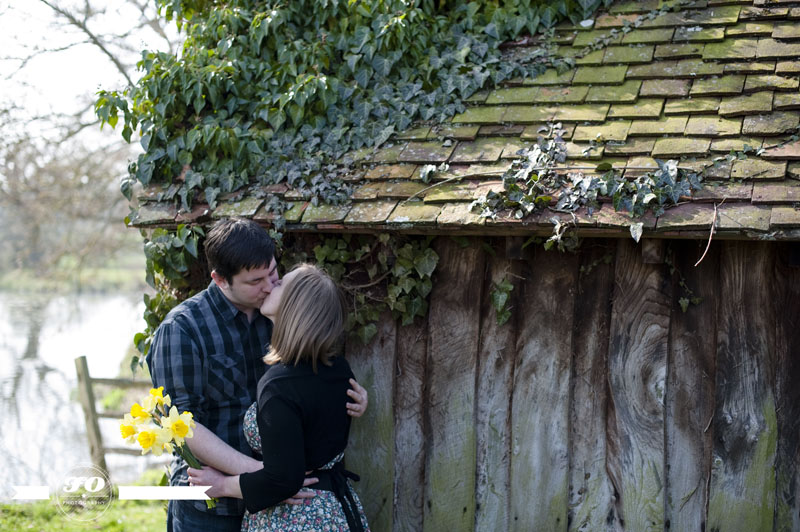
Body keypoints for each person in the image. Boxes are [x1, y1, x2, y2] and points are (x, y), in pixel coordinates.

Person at [146, 218, 368, 532]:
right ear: (221, 279)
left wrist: (354, 396)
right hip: (213, 503)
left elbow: (315, 376)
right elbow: (183, 425)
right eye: (255, 281)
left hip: (280, 500)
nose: (269, 286)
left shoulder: (282, 314)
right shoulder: (182, 330)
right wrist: (263, 475)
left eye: (274, 273)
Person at [187, 264, 370, 532]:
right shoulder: (339, 369)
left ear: (294, 308)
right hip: (333, 513)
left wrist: (222, 485)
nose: (272, 284)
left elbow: (282, 480)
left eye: (281, 283)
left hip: (294, 518)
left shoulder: (279, 386)